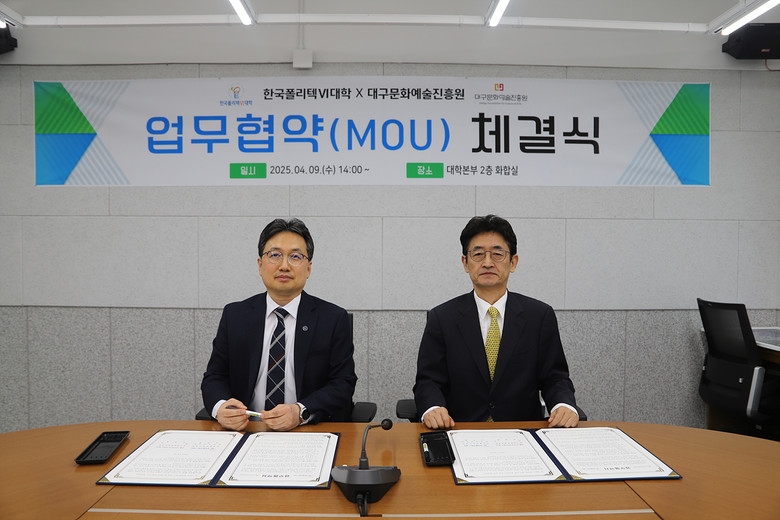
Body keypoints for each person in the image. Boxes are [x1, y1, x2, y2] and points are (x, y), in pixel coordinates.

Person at [413, 214, 579, 430]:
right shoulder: (442, 318)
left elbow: (555, 378)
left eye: (497, 254)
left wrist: (564, 405)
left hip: (522, 432)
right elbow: (428, 380)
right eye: (478, 254)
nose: (488, 263)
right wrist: (432, 407)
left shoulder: (539, 316)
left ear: (513, 262)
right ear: (465, 263)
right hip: (460, 430)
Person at [201, 218, 357, 432]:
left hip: (307, 430)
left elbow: (343, 384)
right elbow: (215, 377)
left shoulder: (332, 318)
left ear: (308, 268)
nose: (284, 266)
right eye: (275, 255)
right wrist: (221, 408)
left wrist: (300, 411)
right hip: (246, 429)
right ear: (260, 265)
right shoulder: (235, 315)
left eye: (295, 256)